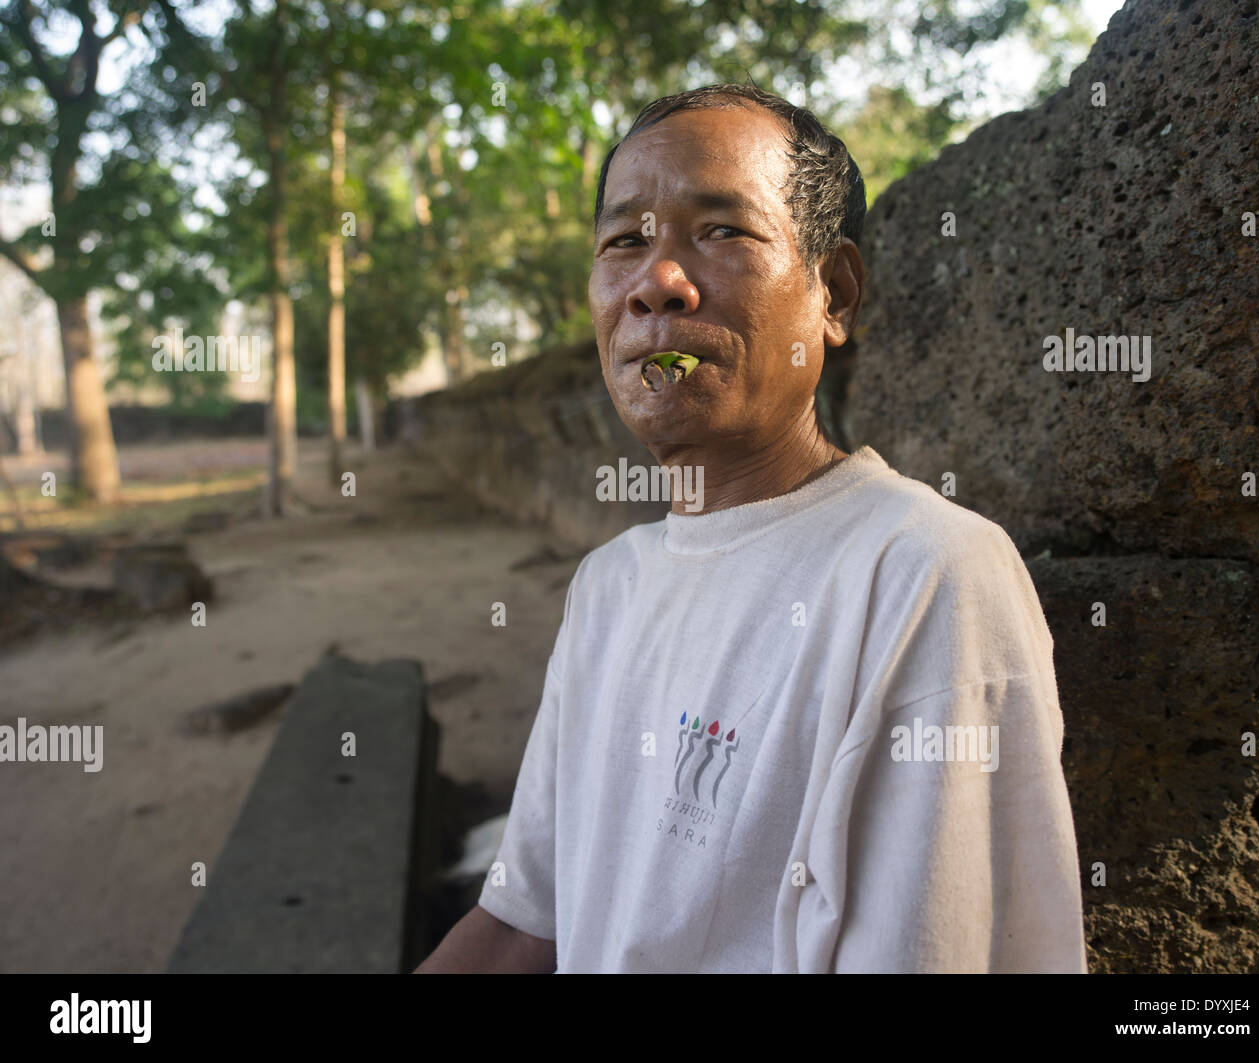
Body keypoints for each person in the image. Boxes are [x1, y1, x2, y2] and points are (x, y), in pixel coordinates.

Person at [415, 83, 1087, 974]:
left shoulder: (924, 575)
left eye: (722, 231)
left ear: (834, 294)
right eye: (624, 242)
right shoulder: (609, 584)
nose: (657, 281)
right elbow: (525, 922)